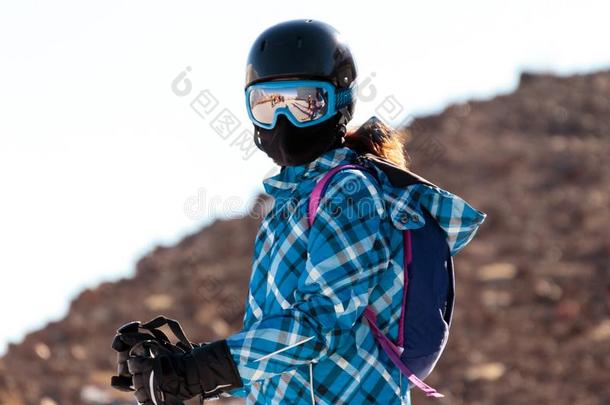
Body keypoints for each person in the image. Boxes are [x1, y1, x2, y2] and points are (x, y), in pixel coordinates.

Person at [114, 19, 486, 404]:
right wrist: (182, 367)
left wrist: (205, 369)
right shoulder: (286, 209)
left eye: (304, 104)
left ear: (339, 103)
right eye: (267, 104)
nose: (283, 121)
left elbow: (322, 325)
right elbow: (284, 356)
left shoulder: (348, 190)